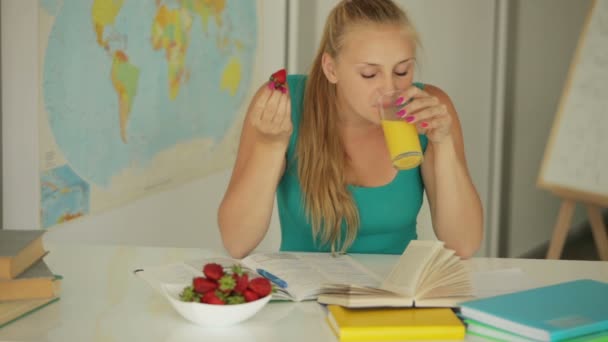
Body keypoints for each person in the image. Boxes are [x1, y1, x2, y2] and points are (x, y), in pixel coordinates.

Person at [218, 0, 483, 259]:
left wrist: (443, 143)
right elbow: (236, 242)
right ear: (331, 69)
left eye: (402, 71)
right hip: (306, 296)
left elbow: (464, 245)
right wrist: (271, 146)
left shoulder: (429, 110)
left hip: (395, 294)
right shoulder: (286, 104)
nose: (390, 88)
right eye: (370, 74)